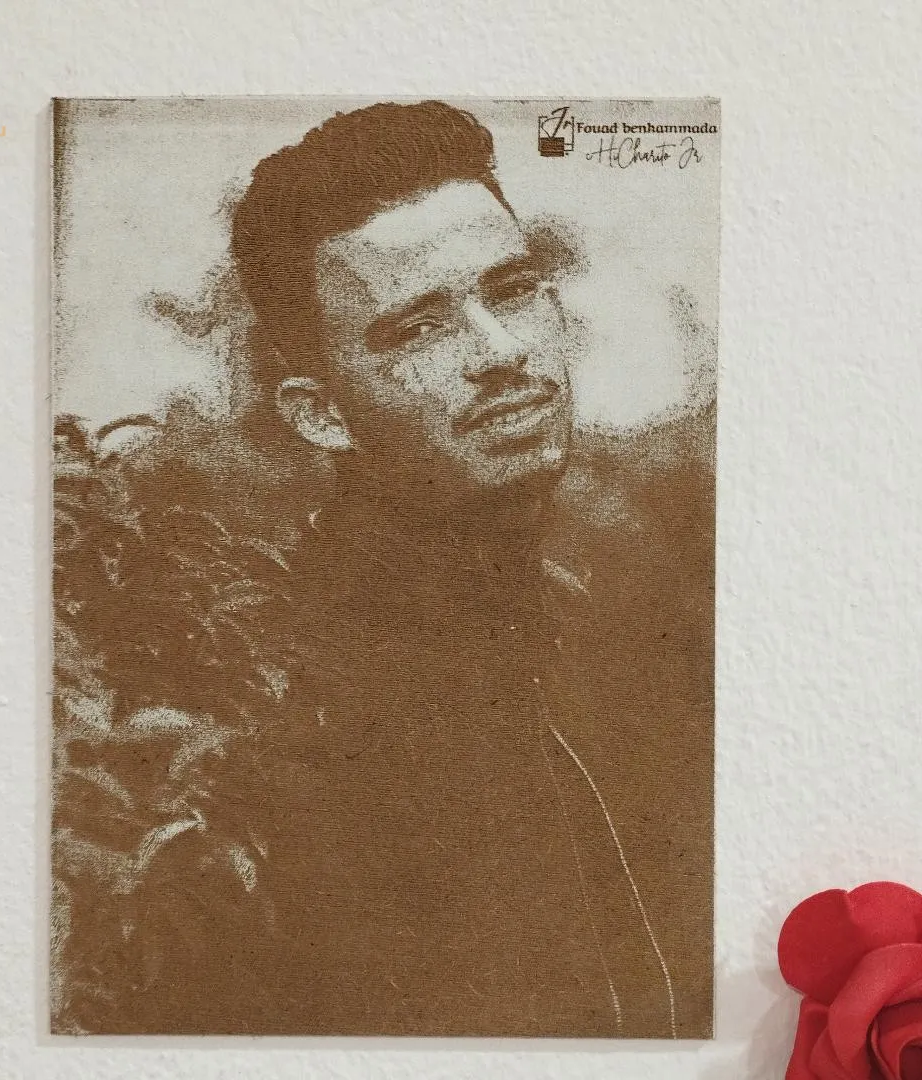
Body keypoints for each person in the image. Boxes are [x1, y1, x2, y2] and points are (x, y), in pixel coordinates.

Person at [51, 100, 713, 1038]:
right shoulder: (292, 708)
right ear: (319, 414)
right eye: (421, 330)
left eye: (512, 290)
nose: (501, 352)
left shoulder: (621, 630)